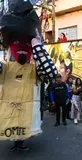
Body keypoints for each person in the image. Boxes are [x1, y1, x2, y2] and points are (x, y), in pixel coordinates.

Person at [0, 0, 59, 151]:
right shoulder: (4, 67)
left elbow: (52, 74)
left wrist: (37, 45)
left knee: (21, 128)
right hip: (9, 117)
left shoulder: (36, 70)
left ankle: (20, 141)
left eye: (25, 43)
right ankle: (16, 141)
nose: (21, 46)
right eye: (17, 42)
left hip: (25, 115)